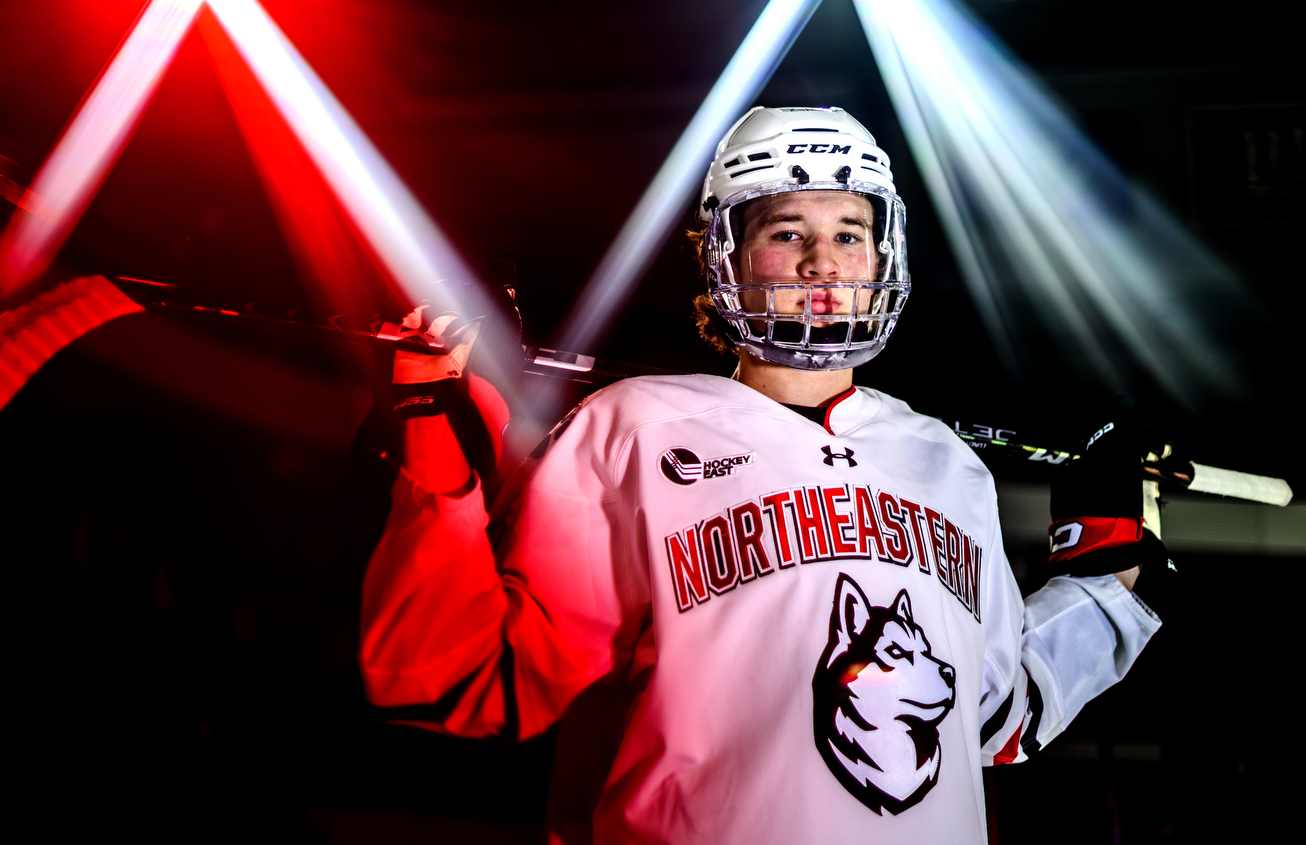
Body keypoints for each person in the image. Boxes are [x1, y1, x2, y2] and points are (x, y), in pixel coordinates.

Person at [359, 107, 1162, 844]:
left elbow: (989, 717)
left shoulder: (946, 467)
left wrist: (1103, 574)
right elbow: (460, 676)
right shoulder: (629, 430)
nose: (824, 262)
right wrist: (430, 417)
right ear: (727, 256)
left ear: (884, 252)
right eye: (788, 231)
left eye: (851, 231)